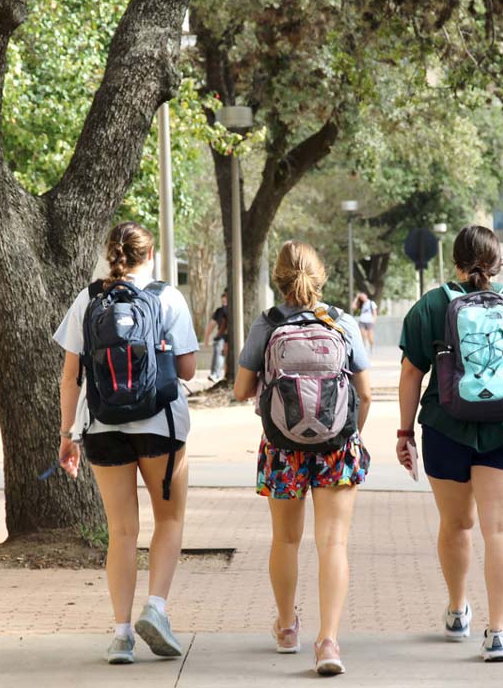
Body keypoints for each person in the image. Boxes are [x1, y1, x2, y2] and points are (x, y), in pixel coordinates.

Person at [396, 226, 503, 663]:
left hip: (446, 428)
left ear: (456, 262)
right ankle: (497, 633)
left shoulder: (431, 304)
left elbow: (412, 373)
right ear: (498, 261)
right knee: (502, 530)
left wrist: (405, 432)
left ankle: (456, 609)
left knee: (456, 524)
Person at [54, 222, 199, 665]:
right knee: (169, 519)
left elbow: (70, 377)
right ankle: (155, 608)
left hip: (102, 426)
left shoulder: (88, 299)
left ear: (110, 254)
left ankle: (120, 635)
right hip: (161, 426)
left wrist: (67, 435)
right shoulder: (167, 297)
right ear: (149, 254)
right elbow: (189, 370)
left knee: (121, 532)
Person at [234, 241, 373, 676]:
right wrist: (349, 434)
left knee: (286, 540)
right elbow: (365, 393)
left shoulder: (266, 324)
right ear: (321, 277)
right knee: (333, 542)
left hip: (282, 449)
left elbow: (241, 390)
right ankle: (328, 641)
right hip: (336, 447)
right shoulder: (343, 322)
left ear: (279, 279)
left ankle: (287, 626)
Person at [203, 291, 230, 382]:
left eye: (226, 302)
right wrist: (206, 339)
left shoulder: (234, 309)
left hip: (231, 338)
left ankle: (224, 375)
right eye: (223, 302)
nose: (224, 305)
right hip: (222, 337)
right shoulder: (220, 311)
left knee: (227, 356)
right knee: (219, 348)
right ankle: (215, 374)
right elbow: (211, 325)